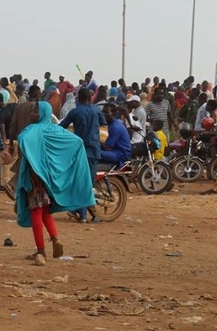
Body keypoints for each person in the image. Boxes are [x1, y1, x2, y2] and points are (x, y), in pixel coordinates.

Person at [16, 101, 95, 266]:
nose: (31, 114)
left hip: (34, 177)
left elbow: (22, 139)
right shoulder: (55, 129)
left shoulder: (33, 130)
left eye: (35, 111)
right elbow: (77, 141)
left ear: (42, 113)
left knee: (36, 212)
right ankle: (55, 239)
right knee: (44, 211)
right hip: (48, 178)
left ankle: (41, 251)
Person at [60, 88, 105, 223]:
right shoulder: (97, 110)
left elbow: (61, 126)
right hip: (94, 150)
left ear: (78, 98)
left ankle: (82, 213)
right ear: (90, 98)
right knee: (88, 182)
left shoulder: (75, 112)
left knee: (79, 181)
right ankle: (82, 213)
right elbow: (103, 124)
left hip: (79, 151)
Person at [100, 103, 131, 168]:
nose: (104, 114)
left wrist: (96, 141)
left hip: (121, 154)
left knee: (94, 153)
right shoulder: (115, 123)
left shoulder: (115, 127)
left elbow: (107, 147)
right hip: (117, 151)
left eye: (107, 112)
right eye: (103, 112)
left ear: (113, 113)